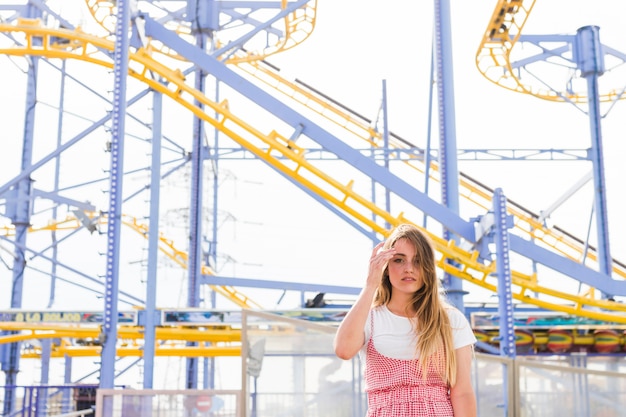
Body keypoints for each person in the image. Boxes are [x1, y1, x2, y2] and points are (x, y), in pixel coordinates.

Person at [333, 223, 477, 417]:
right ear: (385, 266)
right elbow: (343, 350)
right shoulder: (370, 318)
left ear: (428, 268)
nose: (409, 268)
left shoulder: (450, 320)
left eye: (417, 261)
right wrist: (370, 285)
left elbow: (462, 393)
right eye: (399, 260)